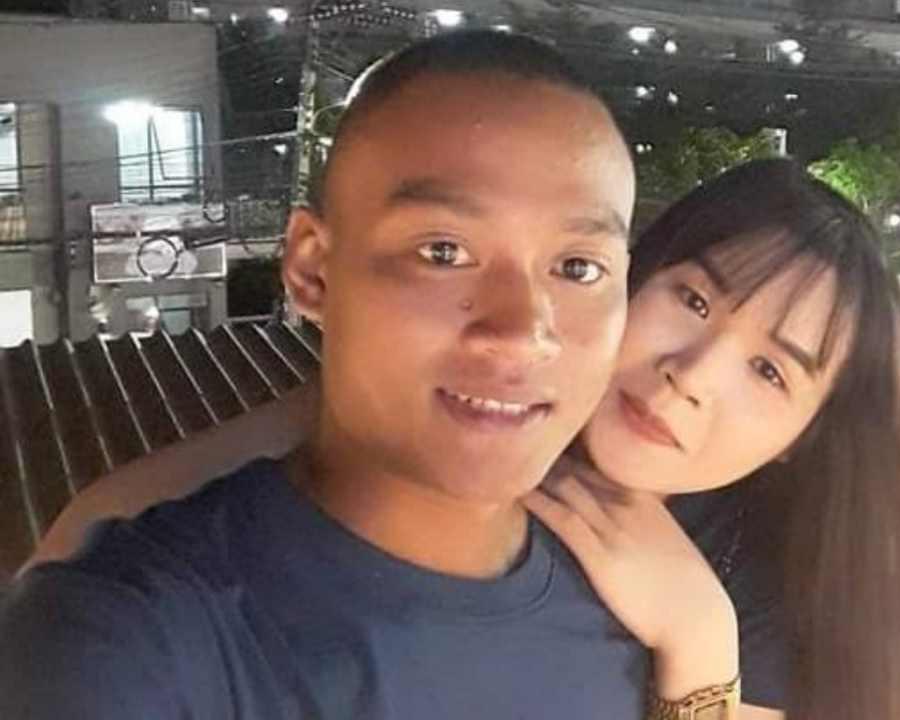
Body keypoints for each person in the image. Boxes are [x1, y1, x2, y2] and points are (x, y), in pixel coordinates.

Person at [28, 154, 900, 718]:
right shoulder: (470, 424)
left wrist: (699, 646)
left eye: (771, 372)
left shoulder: (782, 600)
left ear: (804, 436)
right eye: (694, 300)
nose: (693, 375)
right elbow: (83, 543)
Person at [0, 31, 741, 719]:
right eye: (443, 252)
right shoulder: (119, 637)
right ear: (312, 270)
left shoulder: (645, 613)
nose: (522, 332)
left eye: (578, 267)